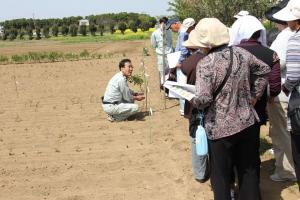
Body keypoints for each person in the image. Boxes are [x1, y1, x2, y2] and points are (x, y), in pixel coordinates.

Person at [191, 18, 270, 200]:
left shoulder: (205, 63)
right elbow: (264, 70)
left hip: (220, 130)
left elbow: (204, 99)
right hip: (247, 122)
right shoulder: (242, 53)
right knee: (248, 173)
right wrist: (254, 95)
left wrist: (193, 99)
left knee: (221, 177)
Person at [229, 15, 282, 183]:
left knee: (234, 144)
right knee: (252, 146)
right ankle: (252, 184)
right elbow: (274, 86)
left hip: (233, 107)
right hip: (257, 107)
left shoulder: (231, 52)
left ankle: (235, 180)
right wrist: (269, 98)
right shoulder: (271, 54)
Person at [265, 0, 297, 182]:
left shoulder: (285, 37)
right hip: (292, 93)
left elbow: (278, 62)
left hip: (283, 93)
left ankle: (286, 170)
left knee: (281, 132)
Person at [273, 0, 300, 187]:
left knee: (290, 136)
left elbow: (292, 74)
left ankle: (288, 171)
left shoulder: (293, 39)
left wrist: (284, 88)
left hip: (294, 95)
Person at [181, 30, 208, 182]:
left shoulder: (189, 62)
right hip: (214, 106)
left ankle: (200, 173)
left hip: (194, 106)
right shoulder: (214, 58)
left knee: (196, 138)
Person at [166, 17, 195, 115]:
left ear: (175, 24)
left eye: (170, 27)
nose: (171, 29)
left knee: (182, 86)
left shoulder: (183, 32)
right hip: (183, 61)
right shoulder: (182, 32)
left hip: (182, 63)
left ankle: (184, 110)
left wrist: (178, 62)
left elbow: (183, 50)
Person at [151, 17, 173, 86]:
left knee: (169, 70)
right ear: (160, 23)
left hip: (169, 54)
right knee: (161, 70)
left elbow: (171, 42)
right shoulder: (155, 33)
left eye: (166, 23)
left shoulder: (169, 32)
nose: (164, 25)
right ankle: (163, 85)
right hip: (160, 55)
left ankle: (168, 86)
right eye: (163, 23)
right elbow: (153, 45)